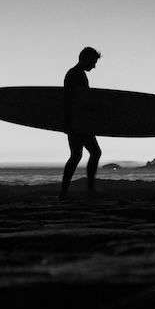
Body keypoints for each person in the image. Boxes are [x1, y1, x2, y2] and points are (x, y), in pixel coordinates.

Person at [60, 46, 102, 199]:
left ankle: (64, 192)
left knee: (76, 155)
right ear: (85, 59)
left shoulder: (77, 74)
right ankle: (88, 190)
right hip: (78, 123)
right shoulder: (75, 75)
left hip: (77, 122)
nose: (94, 66)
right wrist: (70, 123)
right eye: (93, 62)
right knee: (94, 153)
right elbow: (71, 101)